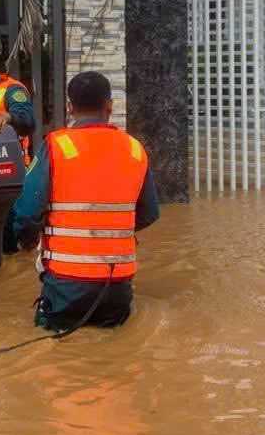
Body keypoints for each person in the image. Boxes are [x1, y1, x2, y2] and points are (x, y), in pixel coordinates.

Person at [11, 71, 159, 331]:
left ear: (70, 108)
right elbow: (149, 213)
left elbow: (26, 211)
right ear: (110, 106)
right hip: (117, 285)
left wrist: (27, 240)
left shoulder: (56, 145)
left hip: (66, 284)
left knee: (57, 356)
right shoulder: (135, 148)